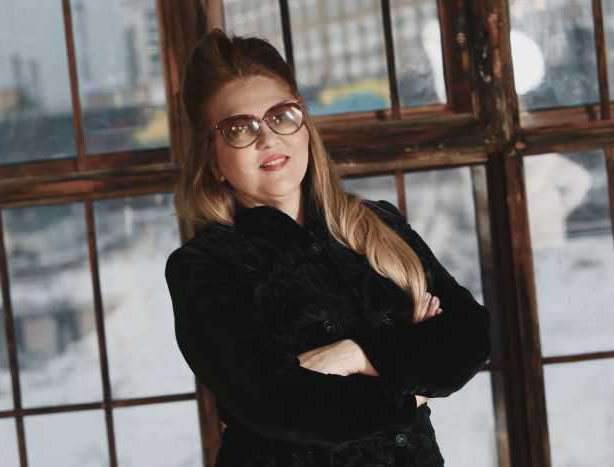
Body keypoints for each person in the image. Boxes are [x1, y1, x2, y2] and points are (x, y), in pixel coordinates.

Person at [164, 28, 491, 467]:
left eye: (281, 116)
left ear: (304, 127)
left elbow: (471, 334)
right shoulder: (202, 267)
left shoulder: (378, 223)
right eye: (239, 129)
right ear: (213, 160)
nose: (267, 139)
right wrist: (410, 386)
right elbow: (280, 405)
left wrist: (355, 354)